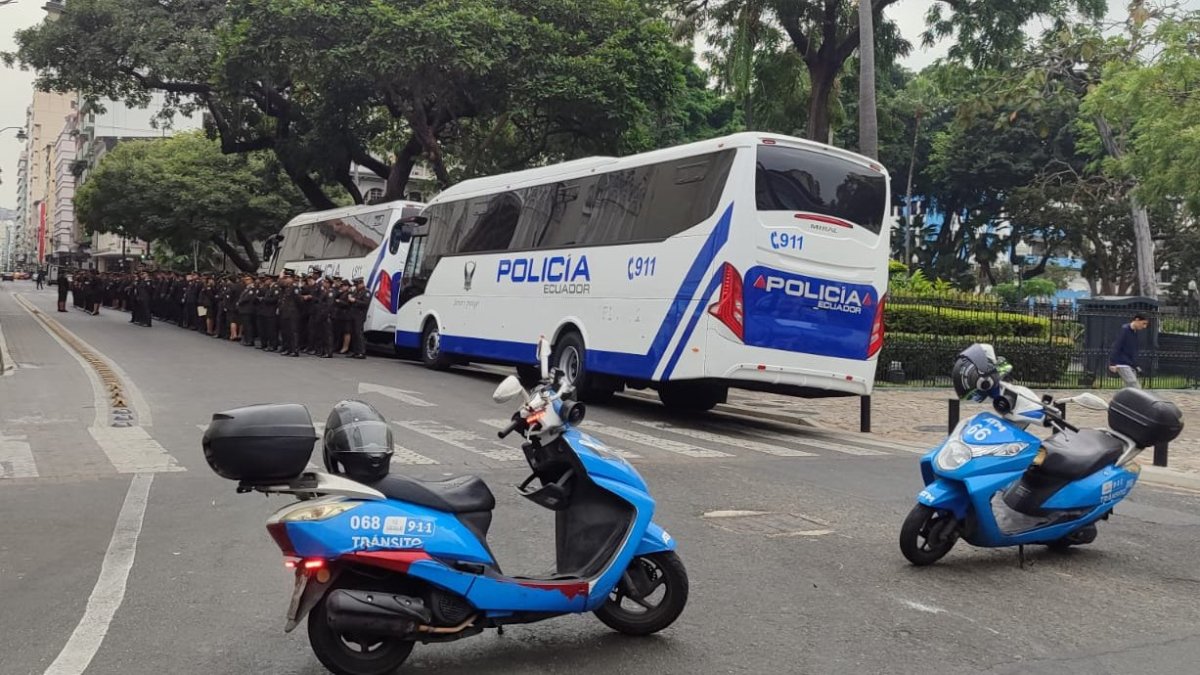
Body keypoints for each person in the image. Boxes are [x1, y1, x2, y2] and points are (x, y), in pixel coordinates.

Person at [1109, 313, 1150, 389]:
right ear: (1137, 320)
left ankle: (1123, 400)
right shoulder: (1125, 330)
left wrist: (1136, 365)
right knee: (1135, 386)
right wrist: (1112, 363)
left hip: (1129, 363)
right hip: (1122, 363)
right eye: (1143, 323)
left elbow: (1132, 350)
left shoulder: (1135, 332)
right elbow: (1117, 346)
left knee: (1130, 388)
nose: (1144, 326)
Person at [277, 270, 302, 357]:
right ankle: (287, 348)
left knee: (293, 332)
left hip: (293, 313)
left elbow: (299, 301)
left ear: (291, 278)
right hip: (285, 312)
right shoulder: (286, 287)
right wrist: (280, 277)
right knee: (286, 332)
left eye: (287, 278)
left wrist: (295, 310)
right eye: (285, 278)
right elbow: (279, 284)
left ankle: (294, 350)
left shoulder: (295, 288)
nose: (285, 280)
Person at [349, 276, 369, 359]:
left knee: (359, 334)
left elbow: (365, 303)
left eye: (357, 285)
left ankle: (362, 352)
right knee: (354, 334)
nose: (356, 286)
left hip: (360, 315)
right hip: (353, 314)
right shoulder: (356, 291)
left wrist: (355, 300)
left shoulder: (366, 292)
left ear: (361, 283)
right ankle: (356, 351)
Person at [237, 276, 258, 347]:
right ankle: (246, 339)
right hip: (244, 309)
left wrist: (239, 302)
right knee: (245, 325)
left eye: (248, 279)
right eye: (245, 279)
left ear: (252, 280)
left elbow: (247, 298)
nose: (246, 281)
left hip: (248, 309)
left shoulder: (252, 288)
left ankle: (250, 340)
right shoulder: (247, 288)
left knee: (248, 325)